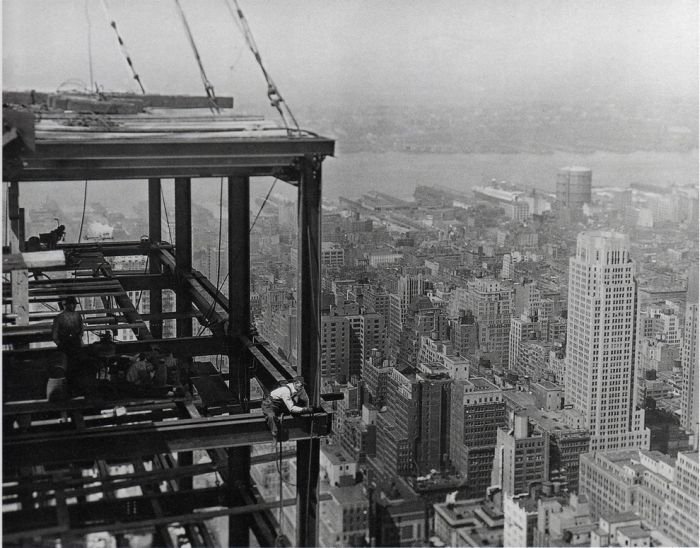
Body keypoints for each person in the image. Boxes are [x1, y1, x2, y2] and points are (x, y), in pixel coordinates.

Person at [261, 376, 312, 440]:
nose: (302, 387)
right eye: (301, 385)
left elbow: (306, 399)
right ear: (295, 383)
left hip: (282, 404)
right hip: (270, 404)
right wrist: (304, 409)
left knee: (296, 411)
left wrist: (307, 408)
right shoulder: (286, 391)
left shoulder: (301, 389)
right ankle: (274, 434)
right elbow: (292, 408)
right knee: (271, 416)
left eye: (302, 385)